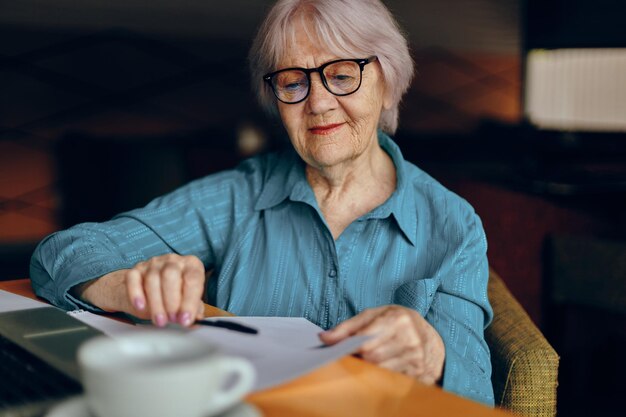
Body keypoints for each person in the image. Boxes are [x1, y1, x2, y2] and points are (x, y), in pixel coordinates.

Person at [30, 0, 494, 405]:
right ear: (277, 102)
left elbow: (475, 392)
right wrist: (129, 287)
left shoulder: (452, 224)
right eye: (293, 82)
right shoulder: (238, 196)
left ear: (388, 82)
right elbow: (59, 254)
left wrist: (432, 353)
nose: (318, 103)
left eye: (340, 74)